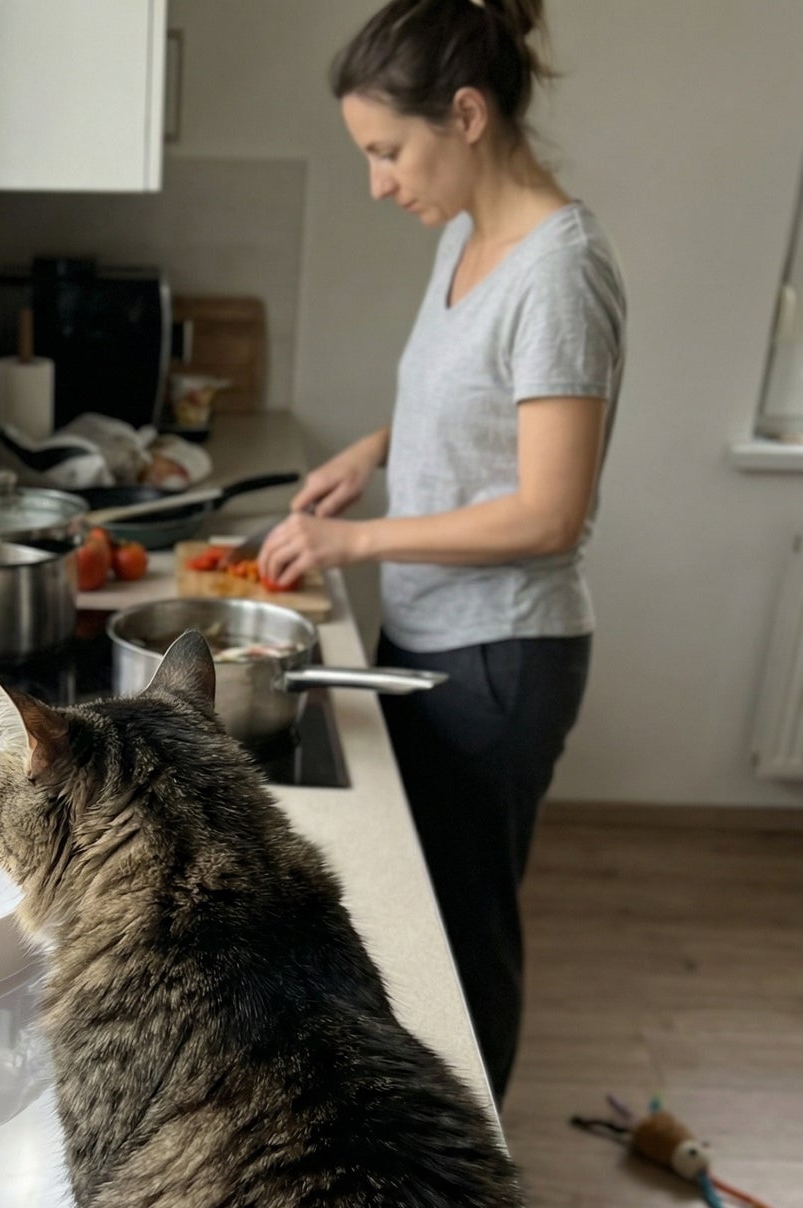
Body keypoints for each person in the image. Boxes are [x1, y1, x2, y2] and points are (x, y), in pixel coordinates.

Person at [259, 0, 626, 1101]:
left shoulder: (557, 270)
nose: (377, 180)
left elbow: (547, 510)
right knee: (419, 917)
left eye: (384, 149)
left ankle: (470, 1190)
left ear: (463, 114)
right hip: (432, 636)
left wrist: (354, 536)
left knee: (463, 935)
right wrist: (374, 450)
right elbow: (467, 407)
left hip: (499, 659)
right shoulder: (468, 239)